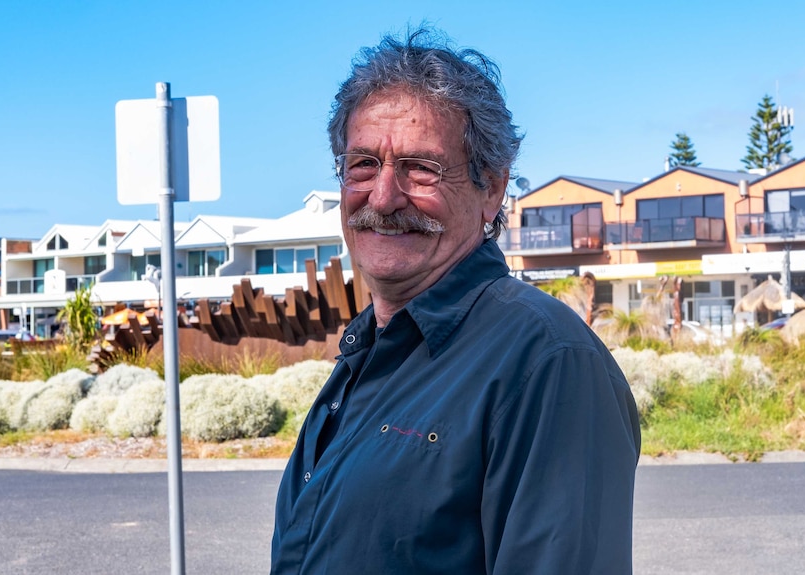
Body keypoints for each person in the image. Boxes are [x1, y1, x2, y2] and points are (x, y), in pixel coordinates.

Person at [270, 27, 641, 575]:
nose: (384, 196)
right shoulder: (370, 351)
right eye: (363, 164)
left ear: (491, 188)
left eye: (421, 168)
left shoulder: (547, 362)